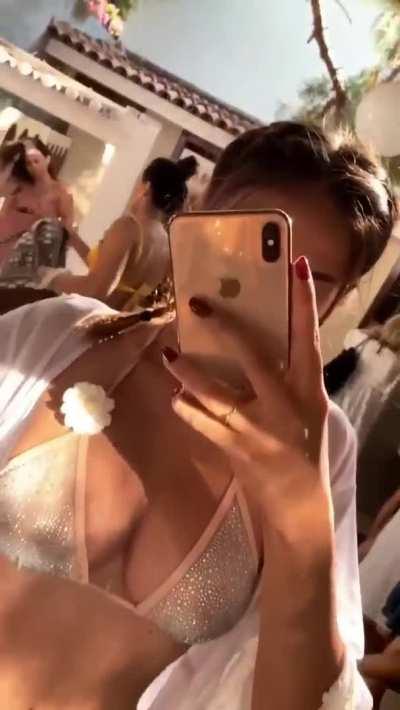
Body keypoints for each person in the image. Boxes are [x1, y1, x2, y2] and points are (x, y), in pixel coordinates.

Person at [0, 121, 396, 710]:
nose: (262, 291)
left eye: (309, 281)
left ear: (340, 299)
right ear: (198, 216)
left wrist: (301, 517)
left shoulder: (321, 444)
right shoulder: (59, 335)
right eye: (246, 247)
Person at [45, 156, 198, 310]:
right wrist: (73, 237)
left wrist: (53, 278)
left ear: (147, 187)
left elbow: (96, 290)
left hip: (93, 319)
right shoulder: (166, 243)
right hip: (121, 322)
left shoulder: (129, 227)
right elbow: (112, 272)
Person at [332, 316, 400, 449]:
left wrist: (373, 331)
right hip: (359, 417)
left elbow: (350, 335)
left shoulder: (364, 342)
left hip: (338, 397)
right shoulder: (395, 366)